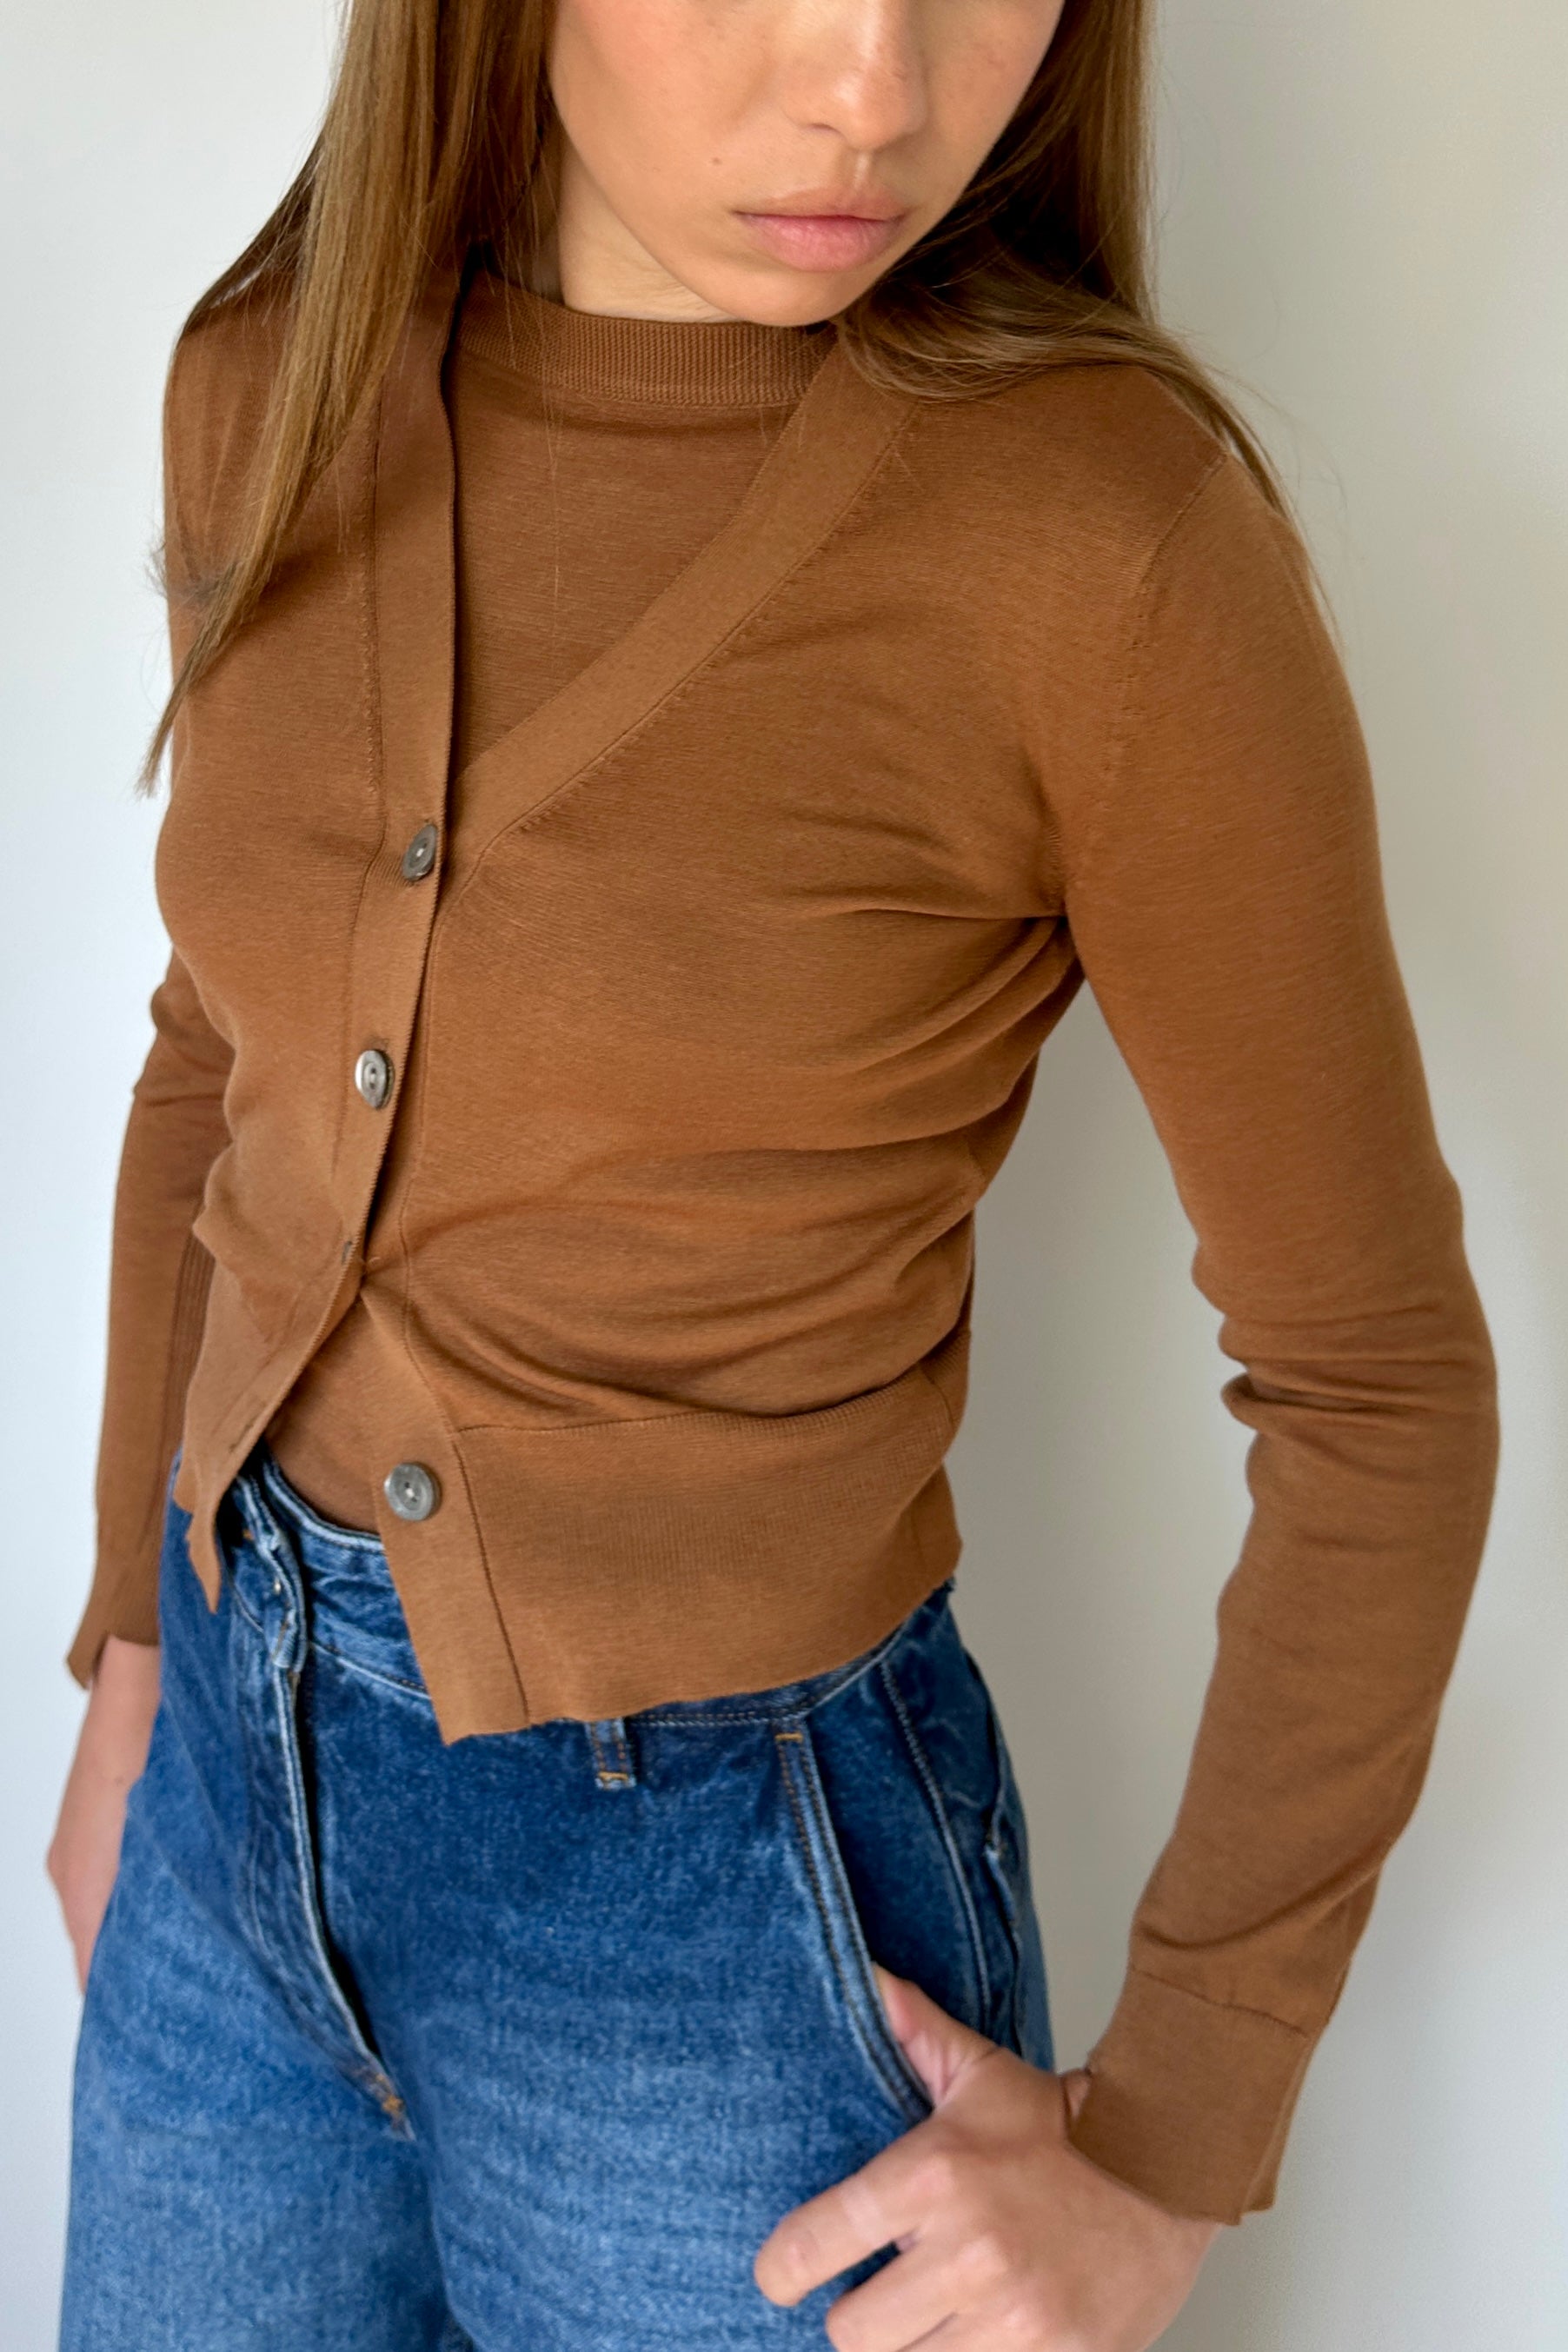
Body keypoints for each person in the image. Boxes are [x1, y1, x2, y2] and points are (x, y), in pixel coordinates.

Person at [45, 0, 1499, 2340]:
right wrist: (135, 1645)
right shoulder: (272, 378)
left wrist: (1172, 2136)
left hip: (720, 1940)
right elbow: (220, 1063)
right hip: (225, 1809)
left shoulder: (1097, 542)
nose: (873, 87)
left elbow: (1375, 1389)